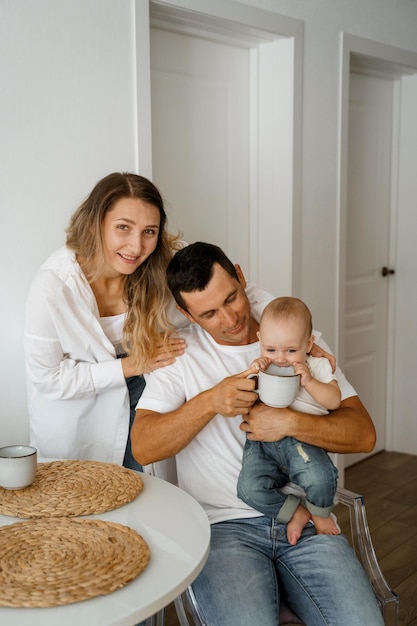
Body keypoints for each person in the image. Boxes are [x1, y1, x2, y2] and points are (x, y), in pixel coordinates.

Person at [131, 241, 384, 626]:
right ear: (186, 313)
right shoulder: (180, 356)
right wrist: (210, 402)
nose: (230, 318)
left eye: (232, 298)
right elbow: (143, 445)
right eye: (209, 313)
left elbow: (363, 435)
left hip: (309, 521)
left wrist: (290, 423)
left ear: (240, 276)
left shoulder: (294, 339)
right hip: (223, 530)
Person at [24, 172, 186, 468]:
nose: (136, 247)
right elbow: (48, 379)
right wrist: (131, 365)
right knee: (85, 501)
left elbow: (235, 292)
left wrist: (296, 330)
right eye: (123, 228)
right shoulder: (54, 284)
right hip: (78, 420)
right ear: (95, 224)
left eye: (149, 231)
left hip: (148, 394)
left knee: (144, 496)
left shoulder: (163, 263)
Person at [237, 296, 342, 545]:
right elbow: (242, 401)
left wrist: (310, 382)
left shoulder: (316, 366)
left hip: (301, 441)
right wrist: (252, 375)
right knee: (248, 489)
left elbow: (334, 401)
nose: (280, 359)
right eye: (271, 349)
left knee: (321, 477)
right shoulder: (260, 365)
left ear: (309, 343)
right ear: (260, 339)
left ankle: (320, 514)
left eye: (291, 350)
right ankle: (295, 512)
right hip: (262, 443)